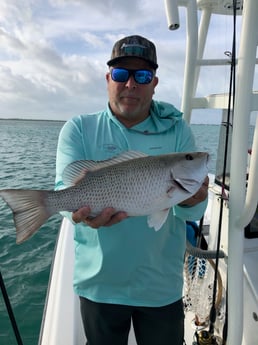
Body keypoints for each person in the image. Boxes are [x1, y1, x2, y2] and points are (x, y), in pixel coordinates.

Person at [55, 35, 209, 345]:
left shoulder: (177, 129)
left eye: (141, 76)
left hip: (160, 286)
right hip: (99, 284)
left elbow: (192, 211)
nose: (130, 85)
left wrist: (197, 198)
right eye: (121, 74)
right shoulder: (79, 128)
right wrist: (76, 212)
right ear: (108, 78)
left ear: (154, 82)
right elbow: (63, 194)